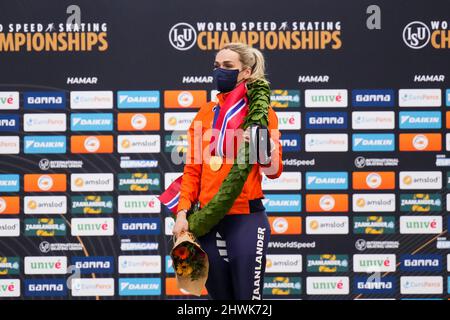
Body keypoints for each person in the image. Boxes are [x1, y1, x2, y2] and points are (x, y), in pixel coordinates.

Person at [172, 42, 283, 300]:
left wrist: (261, 147)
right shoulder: (204, 113)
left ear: (246, 71)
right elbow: (192, 171)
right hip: (206, 220)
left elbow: (274, 171)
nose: (220, 71)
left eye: (228, 66)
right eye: (217, 66)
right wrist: (182, 213)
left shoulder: (262, 113)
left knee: (247, 301)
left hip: (246, 217)